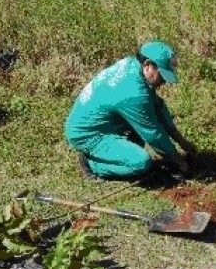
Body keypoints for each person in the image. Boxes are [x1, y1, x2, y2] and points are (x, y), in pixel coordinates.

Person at [64, 40, 197, 180]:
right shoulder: (134, 93)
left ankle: (117, 151)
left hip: (105, 122)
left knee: (146, 118)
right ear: (147, 65)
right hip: (87, 134)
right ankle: (92, 164)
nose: (164, 81)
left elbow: (158, 108)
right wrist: (179, 162)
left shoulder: (132, 65)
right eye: (162, 75)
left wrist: (183, 142)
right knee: (141, 163)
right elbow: (152, 133)